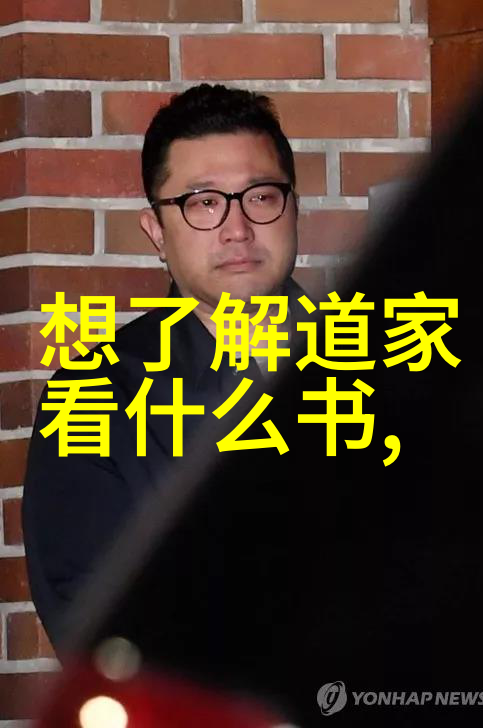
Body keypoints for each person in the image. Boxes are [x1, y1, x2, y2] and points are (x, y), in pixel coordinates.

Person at [22, 84, 311, 648]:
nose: (237, 228)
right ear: (156, 231)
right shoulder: (94, 395)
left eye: (260, 196)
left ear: (295, 208)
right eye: (203, 203)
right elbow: (94, 624)